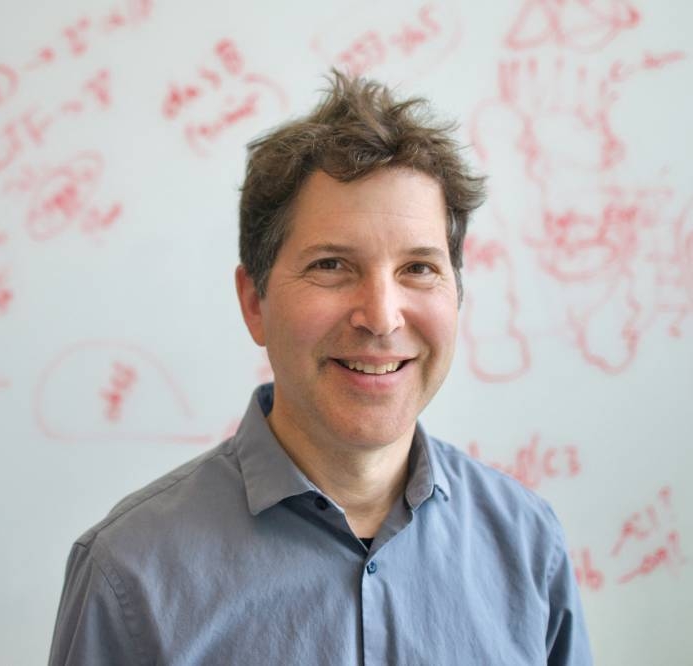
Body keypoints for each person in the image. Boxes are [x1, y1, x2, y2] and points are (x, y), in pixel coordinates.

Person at [48, 71, 592, 665]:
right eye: (332, 265)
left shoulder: (529, 544)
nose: (382, 317)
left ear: (457, 293)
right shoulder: (129, 574)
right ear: (255, 302)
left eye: (419, 268)